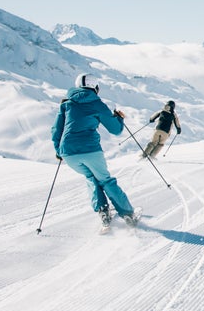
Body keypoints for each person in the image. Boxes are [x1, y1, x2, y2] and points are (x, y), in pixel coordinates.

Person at [52, 73, 140, 230]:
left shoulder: (67, 104)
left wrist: (59, 150)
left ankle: (103, 212)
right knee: (105, 180)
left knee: (91, 177)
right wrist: (119, 118)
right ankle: (128, 214)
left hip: (68, 153)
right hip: (90, 150)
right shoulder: (97, 104)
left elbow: (57, 129)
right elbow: (115, 130)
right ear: (96, 88)